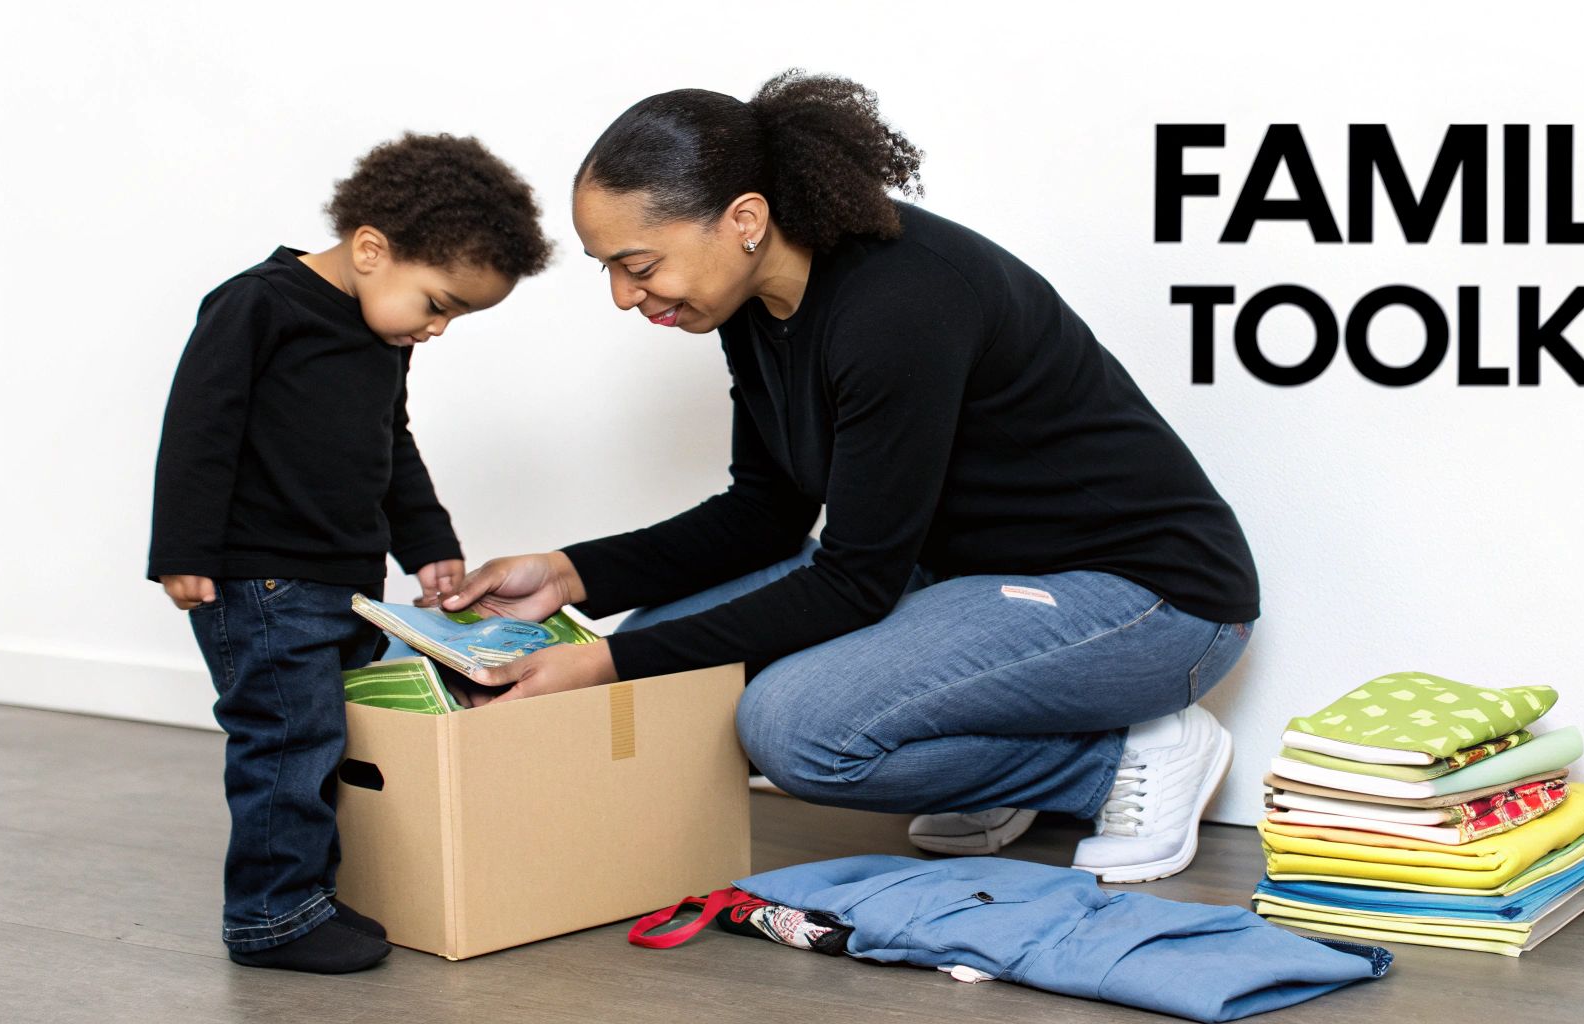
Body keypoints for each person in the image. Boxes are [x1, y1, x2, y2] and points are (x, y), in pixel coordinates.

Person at [445, 71, 1259, 883]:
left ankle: (1112, 762)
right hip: (965, 577)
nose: (626, 296)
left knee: (794, 730)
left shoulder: (899, 304)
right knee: (657, 645)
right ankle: (1007, 758)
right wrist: (570, 573)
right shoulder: (754, 307)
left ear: (745, 221)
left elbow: (856, 582)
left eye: (640, 263)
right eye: (608, 270)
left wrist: (606, 667)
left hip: (1146, 600)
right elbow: (766, 514)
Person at [147, 133, 552, 973]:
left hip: (344, 584)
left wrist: (429, 543)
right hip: (258, 580)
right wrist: (183, 548)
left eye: (457, 317)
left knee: (339, 739)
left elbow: (389, 444)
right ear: (372, 249)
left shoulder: (383, 337)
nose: (439, 328)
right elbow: (199, 427)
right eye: (438, 303)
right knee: (289, 744)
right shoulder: (258, 306)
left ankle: (315, 894)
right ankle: (272, 918)